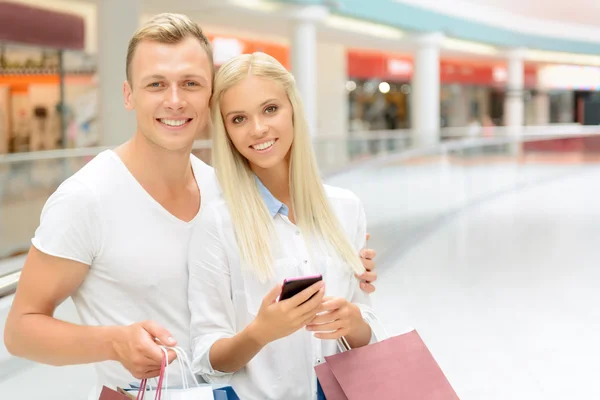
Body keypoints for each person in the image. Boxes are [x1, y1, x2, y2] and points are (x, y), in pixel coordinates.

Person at [3, 13, 378, 396]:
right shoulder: (86, 198)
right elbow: (19, 331)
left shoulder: (225, 190)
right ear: (129, 94)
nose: (175, 100)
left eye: (191, 83)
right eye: (156, 84)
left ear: (210, 97)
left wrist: (345, 265)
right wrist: (112, 342)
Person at [187, 52, 379, 400]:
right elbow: (205, 356)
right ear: (226, 131)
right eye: (239, 118)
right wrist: (260, 332)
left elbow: (365, 326)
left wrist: (353, 324)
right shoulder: (217, 223)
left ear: (293, 108)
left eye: (270, 109)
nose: (258, 128)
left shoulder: (346, 209)